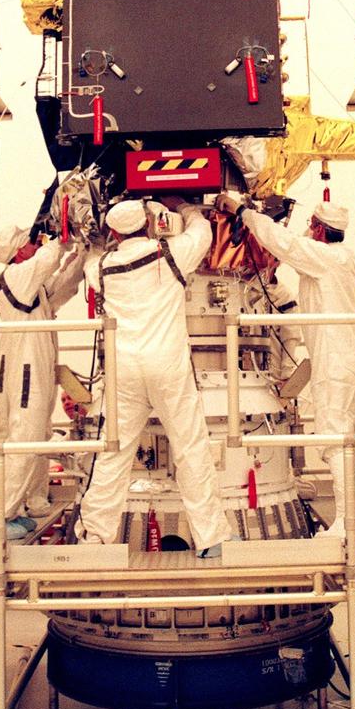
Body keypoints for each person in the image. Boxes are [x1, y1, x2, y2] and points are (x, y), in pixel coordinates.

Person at [78, 199, 231, 557]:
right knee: (191, 449)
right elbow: (203, 234)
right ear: (150, 223)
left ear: (115, 231)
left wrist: (98, 237)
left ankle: (95, 538)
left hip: (125, 371)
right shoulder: (171, 255)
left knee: (113, 453)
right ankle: (211, 538)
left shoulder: (100, 268)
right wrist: (188, 208)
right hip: (168, 368)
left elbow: (90, 256)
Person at [228, 197, 355, 536]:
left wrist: (243, 213)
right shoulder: (343, 259)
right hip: (353, 359)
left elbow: (285, 244)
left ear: (317, 228)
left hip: (335, 363)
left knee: (335, 442)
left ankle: (349, 521)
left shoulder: (324, 257)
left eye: (309, 225)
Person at [0, 226, 85, 541]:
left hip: (32, 367)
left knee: (37, 437)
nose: (35, 243)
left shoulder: (30, 285)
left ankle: (27, 503)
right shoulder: (16, 275)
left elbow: (62, 286)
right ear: (17, 250)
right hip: (25, 371)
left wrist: (81, 254)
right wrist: (61, 237)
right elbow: (48, 260)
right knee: (26, 440)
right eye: (29, 242)